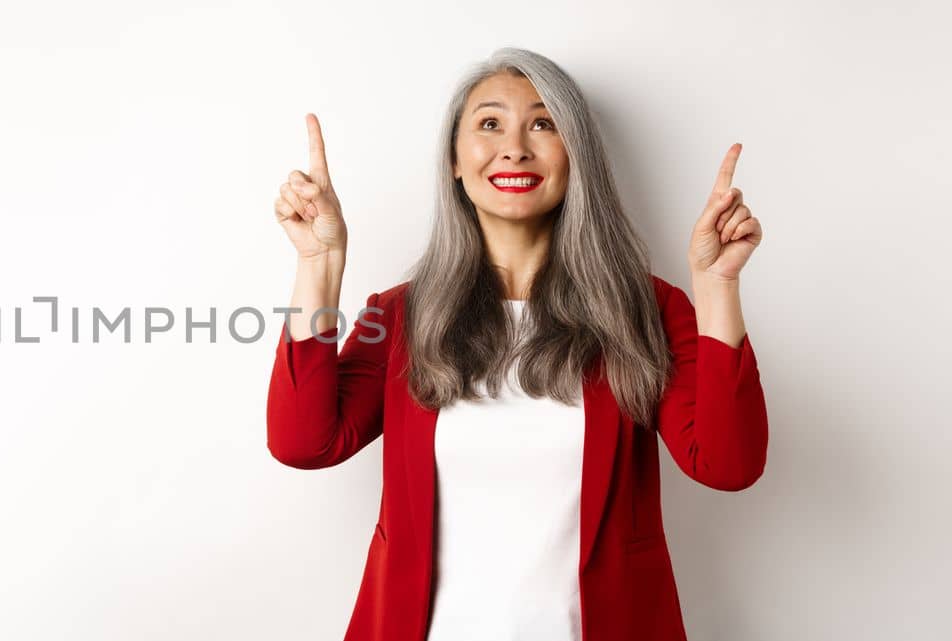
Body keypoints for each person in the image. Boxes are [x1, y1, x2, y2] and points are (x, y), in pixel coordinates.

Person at [266, 47, 768, 641]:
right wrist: (320, 265)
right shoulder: (402, 315)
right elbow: (304, 442)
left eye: (542, 123)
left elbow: (727, 463)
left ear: (575, 156)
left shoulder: (645, 309)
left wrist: (716, 288)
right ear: (454, 159)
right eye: (488, 123)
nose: (515, 147)